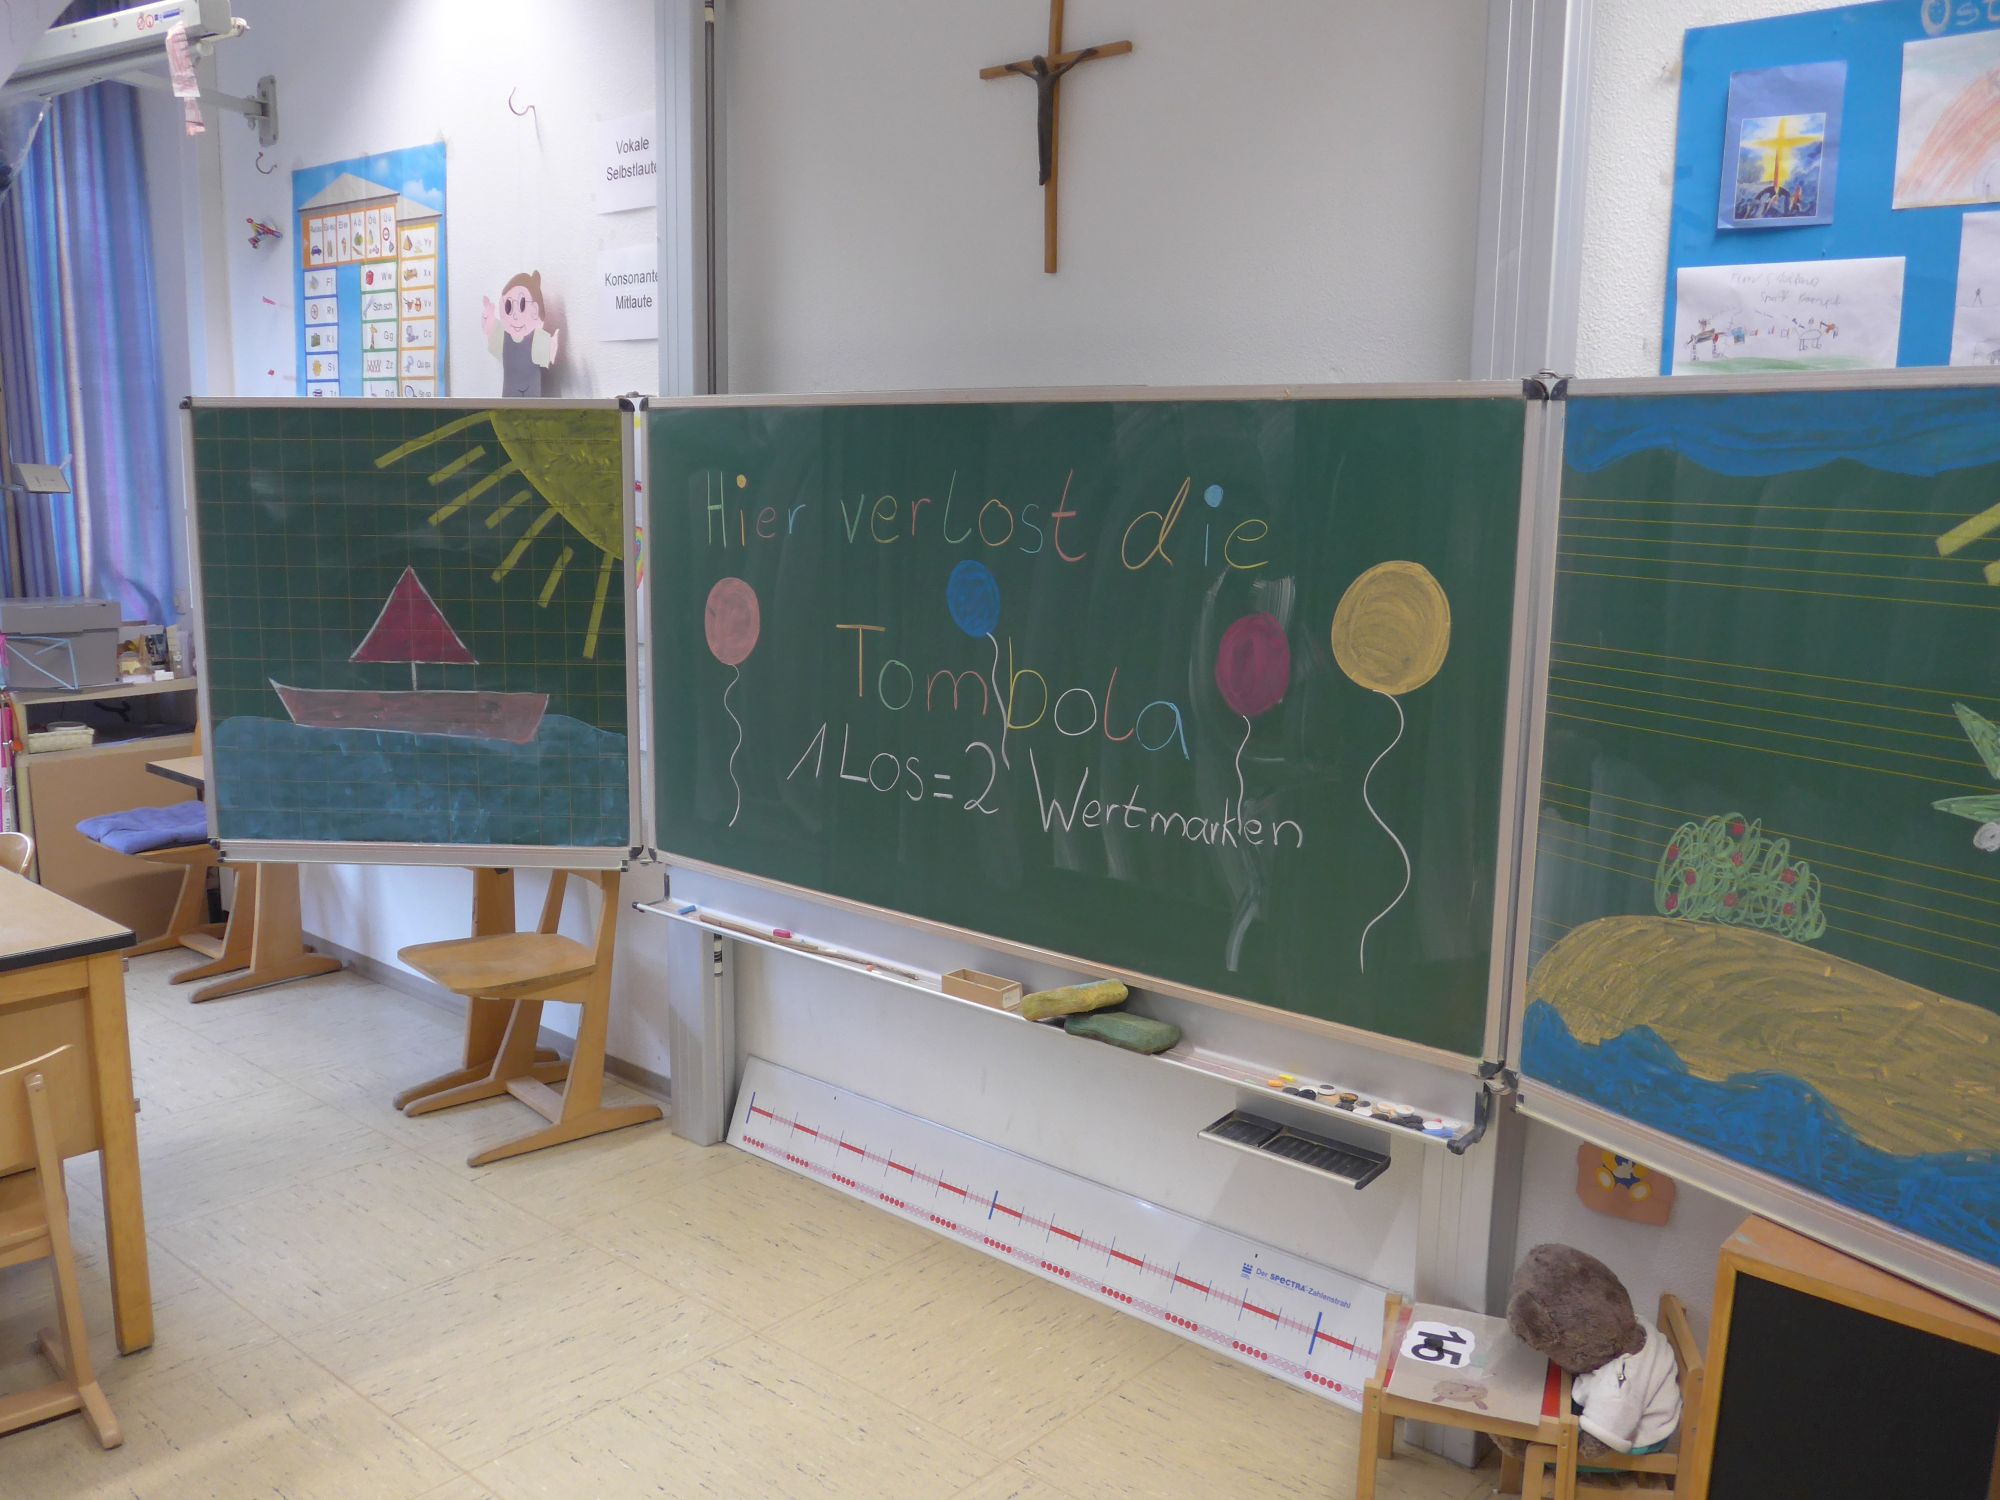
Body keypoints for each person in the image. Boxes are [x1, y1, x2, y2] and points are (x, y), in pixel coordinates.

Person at [483, 270, 560, 397]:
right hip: (509, 394)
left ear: (535, 309)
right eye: (508, 307)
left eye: (522, 305)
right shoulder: (503, 336)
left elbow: (548, 355)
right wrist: (488, 321)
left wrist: (552, 345)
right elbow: (493, 341)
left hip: (533, 394)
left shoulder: (536, 337)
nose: (515, 316)